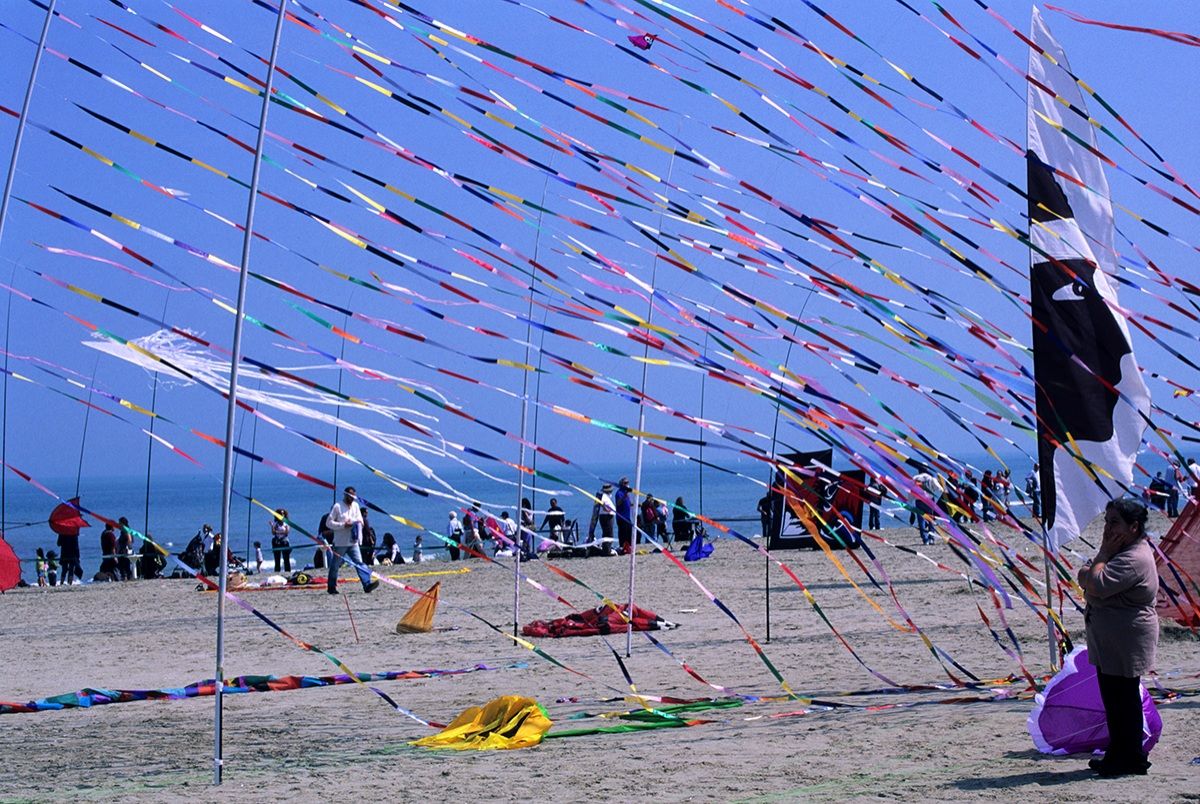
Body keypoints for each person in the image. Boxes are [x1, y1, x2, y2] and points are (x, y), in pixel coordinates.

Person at [1076, 498, 1158, 778]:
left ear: (1133, 527)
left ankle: (1129, 758)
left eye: (1114, 522)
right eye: (1106, 521)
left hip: (1125, 638)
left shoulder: (1133, 557)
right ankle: (1122, 754)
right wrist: (1096, 568)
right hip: (1112, 637)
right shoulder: (1120, 551)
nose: (1108, 528)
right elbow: (1085, 575)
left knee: (1122, 699)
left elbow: (1095, 583)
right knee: (1115, 698)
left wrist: (1100, 558)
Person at [325, 487, 378, 595]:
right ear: (345, 495)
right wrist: (343, 525)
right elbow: (329, 523)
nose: (352, 498)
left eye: (353, 496)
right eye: (350, 496)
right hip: (340, 542)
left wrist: (356, 523)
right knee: (335, 565)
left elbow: (360, 520)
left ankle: (367, 584)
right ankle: (331, 586)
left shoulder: (356, 506)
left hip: (353, 541)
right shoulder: (337, 506)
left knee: (359, 563)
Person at [615, 477, 635, 554]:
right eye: (625, 483)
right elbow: (618, 503)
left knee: (629, 532)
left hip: (627, 517)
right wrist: (625, 495)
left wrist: (635, 504)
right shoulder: (619, 493)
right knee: (623, 533)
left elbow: (628, 503)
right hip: (621, 517)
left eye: (627, 482)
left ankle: (628, 547)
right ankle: (622, 548)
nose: (627, 484)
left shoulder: (626, 493)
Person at [593, 484, 615, 555]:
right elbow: (601, 503)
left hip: (607, 515)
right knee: (608, 533)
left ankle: (607, 549)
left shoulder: (606, 496)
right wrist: (606, 509)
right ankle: (607, 550)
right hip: (606, 516)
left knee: (608, 533)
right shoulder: (604, 496)